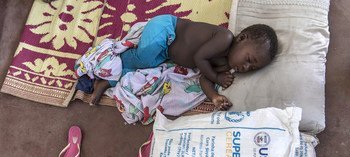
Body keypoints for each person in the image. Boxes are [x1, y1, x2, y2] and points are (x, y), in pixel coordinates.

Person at [88, 14, 278, 110]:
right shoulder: (225, 38)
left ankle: (109, 81)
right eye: (248, 59)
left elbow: (204, 79)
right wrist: (217, 76)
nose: (245, 67)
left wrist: (214, 97)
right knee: (144, 58)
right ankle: (109, 62)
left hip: (165, 51)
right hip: (166, 28)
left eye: (252, 67)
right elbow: (199, 58)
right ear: (242, 38)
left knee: (146, 66)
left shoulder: (225, 64)